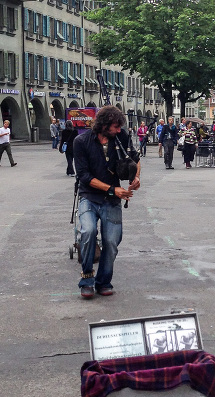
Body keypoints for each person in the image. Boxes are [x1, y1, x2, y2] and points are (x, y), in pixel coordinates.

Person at [73, 105, 141, 299]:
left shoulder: (121, 138)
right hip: (89, 196)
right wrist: (112, 189)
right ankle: (87, 279)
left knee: (111, 241)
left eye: (120, 127)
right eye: (115, 126)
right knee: (88, 231)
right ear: (103, 125)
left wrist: (135, 178)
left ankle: (103, 281)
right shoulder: (81, 141)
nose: (119, 130)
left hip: (112, 199)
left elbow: (135, 159)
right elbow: (84, 176)